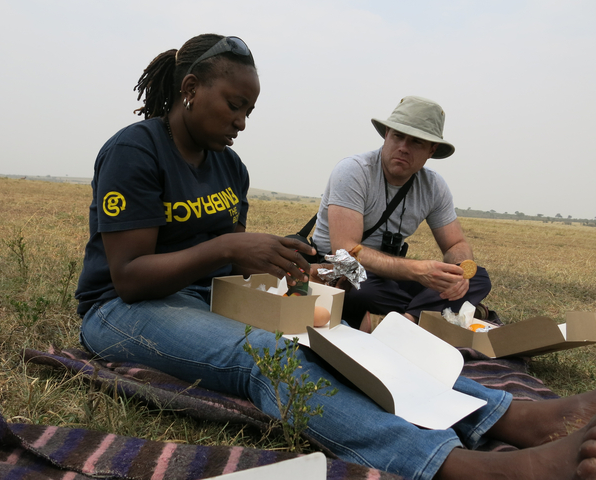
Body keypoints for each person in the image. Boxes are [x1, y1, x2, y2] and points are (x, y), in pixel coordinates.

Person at [74, 34, 596, 480]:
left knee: (339, 340)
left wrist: (291, 264)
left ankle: (506, 417)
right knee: (265, 356)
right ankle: (453, 465)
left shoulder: (228, 166)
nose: (242, 121)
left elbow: (227, 263)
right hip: (121, 311)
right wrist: (233, 245)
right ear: (190, 90)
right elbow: (129, 278)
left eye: (249, 110)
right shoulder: (136, 150)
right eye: (234, 105)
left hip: (205, 295)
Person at [312, 96, 492, 328]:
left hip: (391, 275)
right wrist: (418, 270)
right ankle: (440, 314)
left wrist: (460, 272)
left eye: (416, 142)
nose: (403, 148)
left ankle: (406, 320)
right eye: (398, 136)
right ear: (387, 134)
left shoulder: (434, 186)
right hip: (345, 270)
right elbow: (346, 251)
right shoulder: (354, 171)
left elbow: (455, 244)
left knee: (479, 278)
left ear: (432, 149)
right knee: (361, 292)